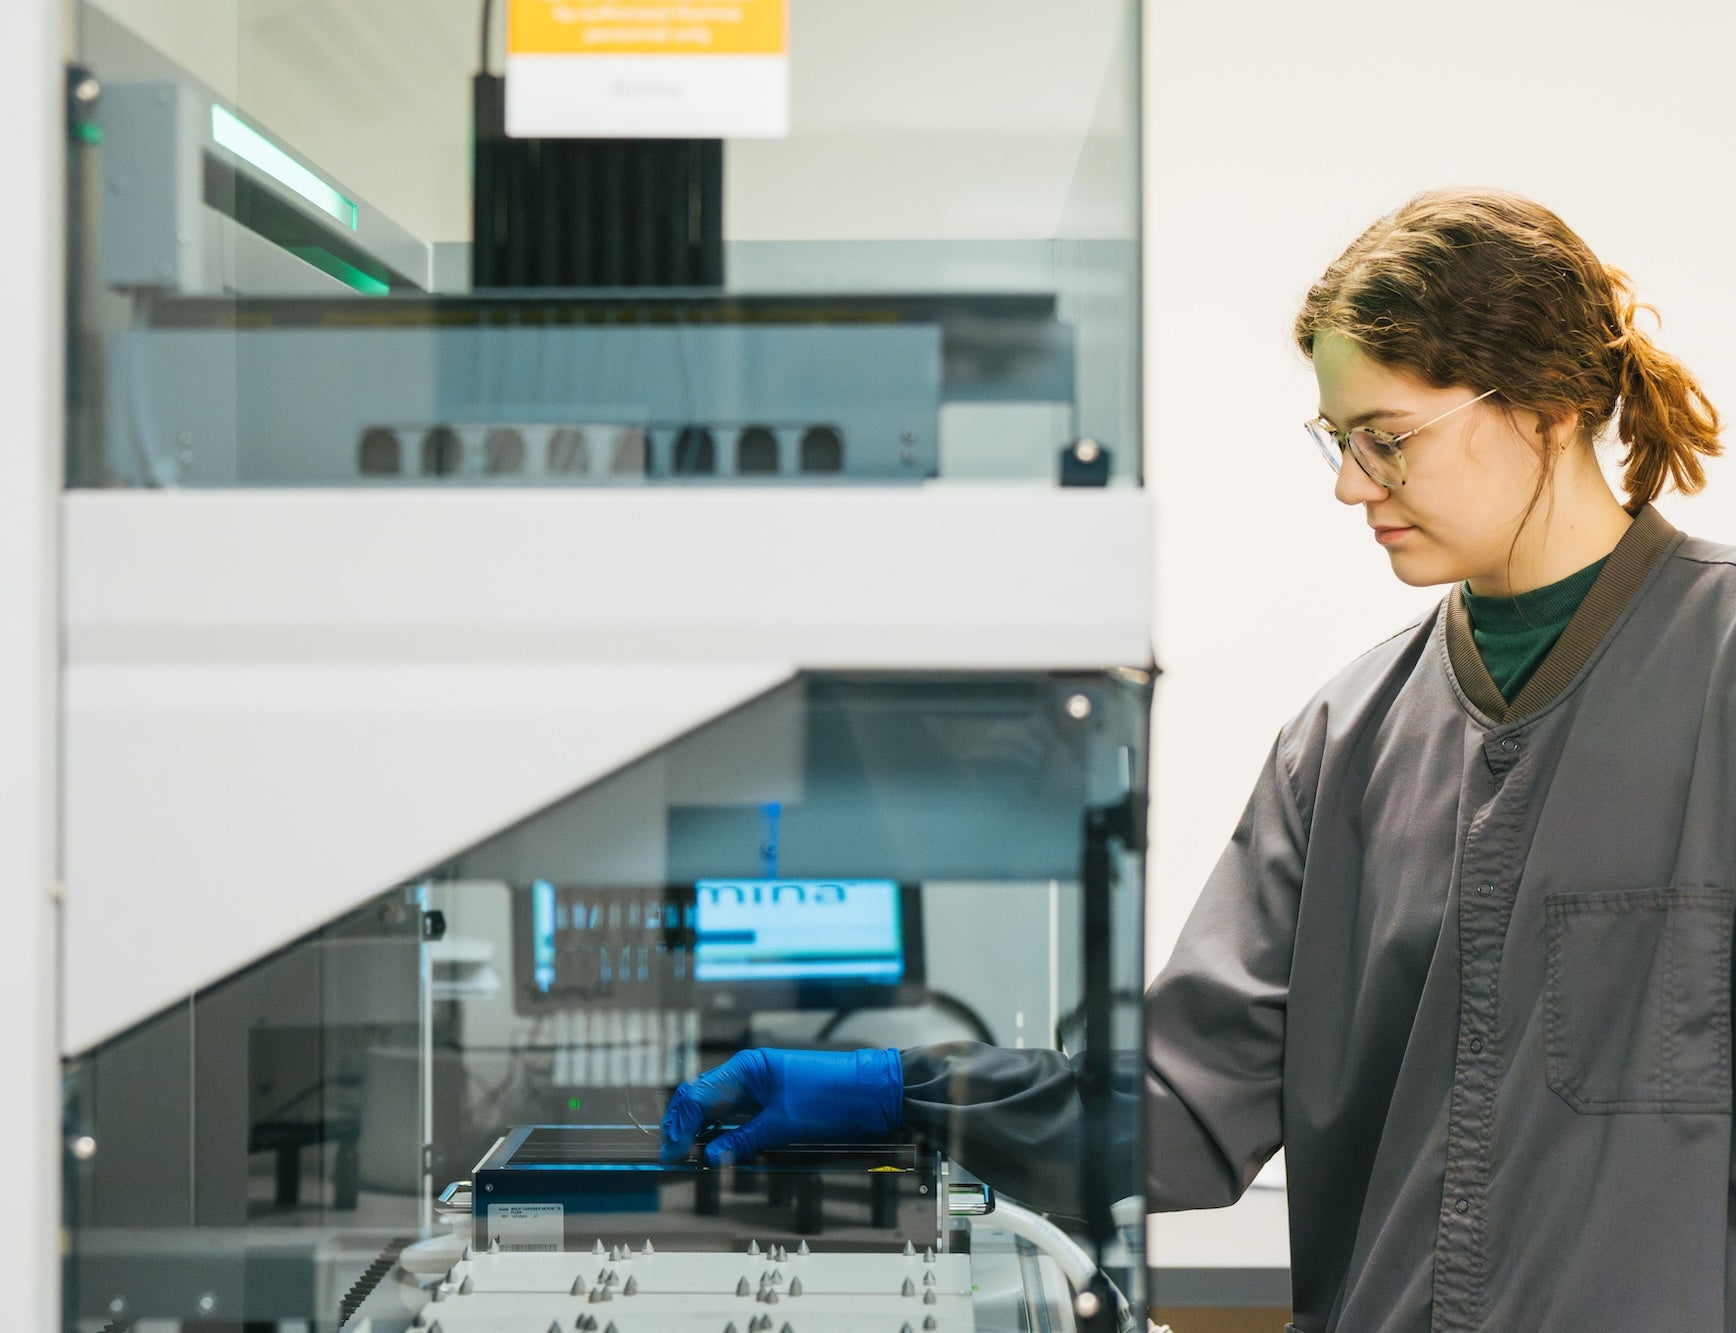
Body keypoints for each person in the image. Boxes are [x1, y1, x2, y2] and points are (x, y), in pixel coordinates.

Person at [661, 188, 1732, 1331]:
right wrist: (892, 1093)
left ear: (1545, 406)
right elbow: (1182, 1100)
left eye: (1388, 439)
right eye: (1337, 440)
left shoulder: (1715, 674)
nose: (1349, 484)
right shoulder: (1347, 737)